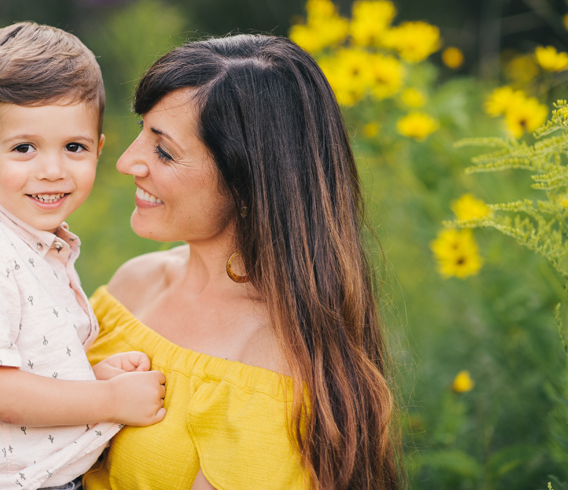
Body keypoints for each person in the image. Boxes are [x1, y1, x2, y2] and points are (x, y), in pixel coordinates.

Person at [84, 34, 400, 490]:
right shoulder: (135, 284)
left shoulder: (273, 364)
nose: (127, 161)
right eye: (142, 131)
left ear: (248, 182)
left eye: (164, 151)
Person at [0, 22, 167, 490]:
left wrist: (85, 377)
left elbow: (21, 367)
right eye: (24, 148)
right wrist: (109, 399)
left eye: (74, 147)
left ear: (98, 150)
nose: (52, 170)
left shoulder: (32, 242)